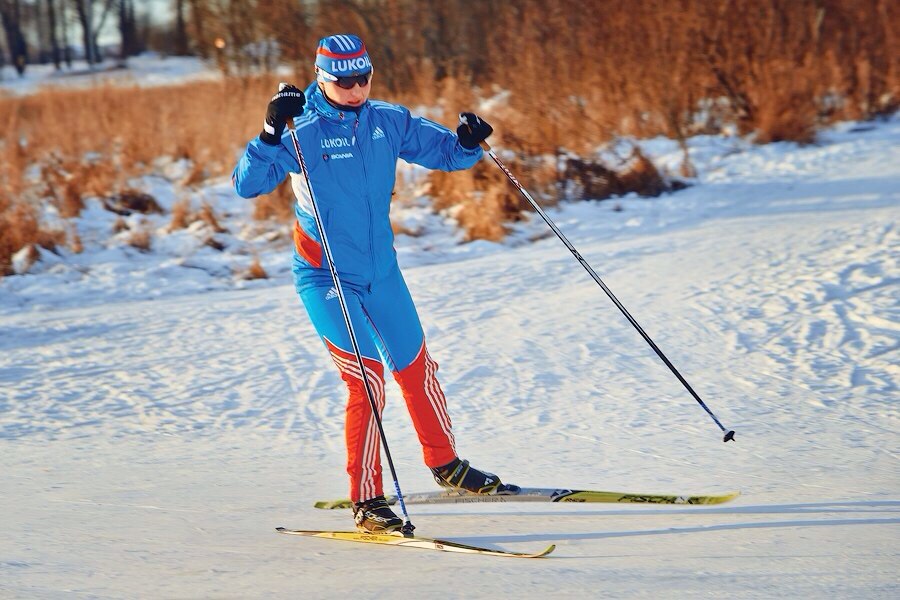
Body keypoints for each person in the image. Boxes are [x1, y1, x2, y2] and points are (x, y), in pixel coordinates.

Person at [232, 34, 516, 533]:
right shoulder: (304, 128)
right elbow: (247, 184)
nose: (357, 88)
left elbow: (445, 153)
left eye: (364, 77)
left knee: (415, 365)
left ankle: (446, 464)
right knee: (367, 382)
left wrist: (469, 141)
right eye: (345, 81)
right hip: (326, 276)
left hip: (381, 271)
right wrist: (271, 131)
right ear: (322, 77)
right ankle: (368, 501)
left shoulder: (387, 120)